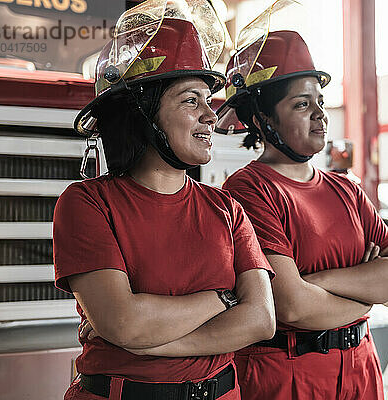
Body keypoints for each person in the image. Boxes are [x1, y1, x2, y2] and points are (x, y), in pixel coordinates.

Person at [54, 3, 275, 399]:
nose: (211, 115)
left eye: (209, 99)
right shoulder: (87, 203)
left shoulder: (227, 210)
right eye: (192, 100)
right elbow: (124, 323)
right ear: (144, 114)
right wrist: (224, 298)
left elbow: (261, 320)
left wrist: (158, 343)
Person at [216, 28, 388, 400]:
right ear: (260, 119)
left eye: (319, 102)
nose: (320, 115)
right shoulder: (249, 190)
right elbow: (291, 306)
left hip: (361, 368)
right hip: (288, 375)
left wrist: (315, 281)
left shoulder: (347, 189)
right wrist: (365, 292)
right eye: (301, 104)